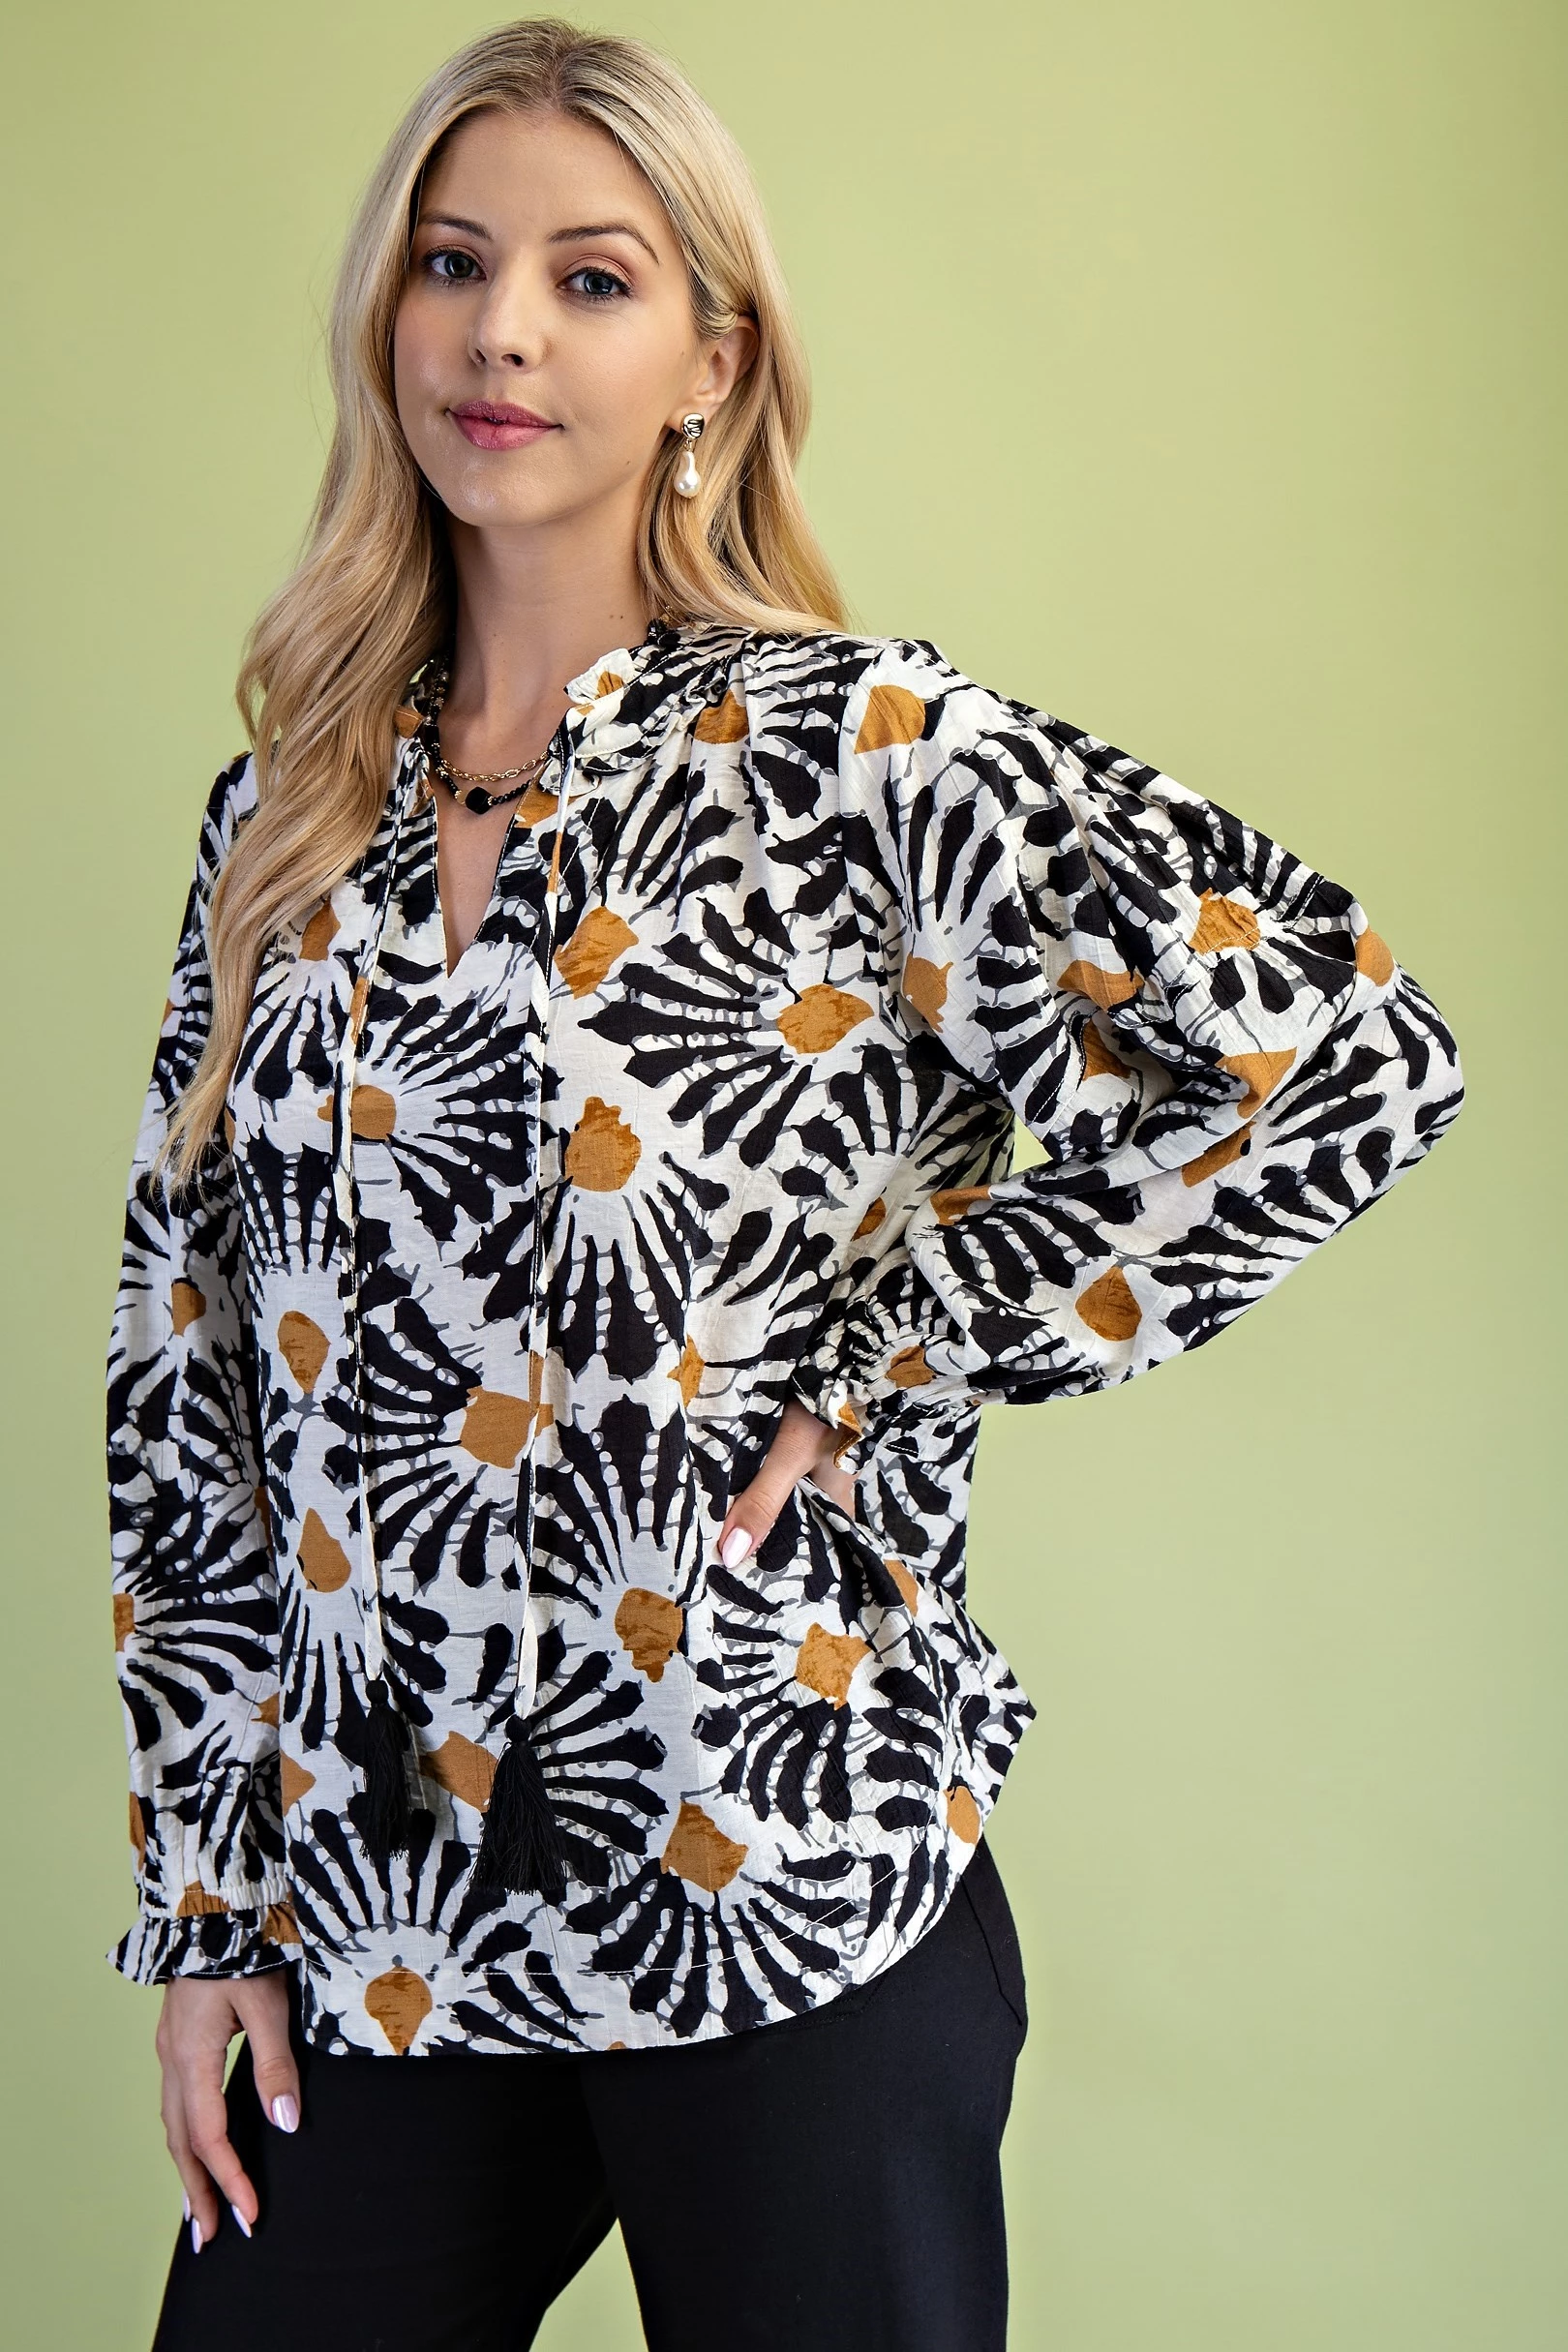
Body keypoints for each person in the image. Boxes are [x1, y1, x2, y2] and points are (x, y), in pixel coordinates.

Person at [106, 18, 1462, 2350]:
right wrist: (209, 1898)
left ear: (711, 362)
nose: (502, 333)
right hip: (384, 1919)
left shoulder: (858, 759)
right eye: (451, 263)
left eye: (591, 279)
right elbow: (185, 1373)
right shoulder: (290, 817)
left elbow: (1349, 1051)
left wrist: (905, 1336)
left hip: (779, 1875)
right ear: (387, 316)